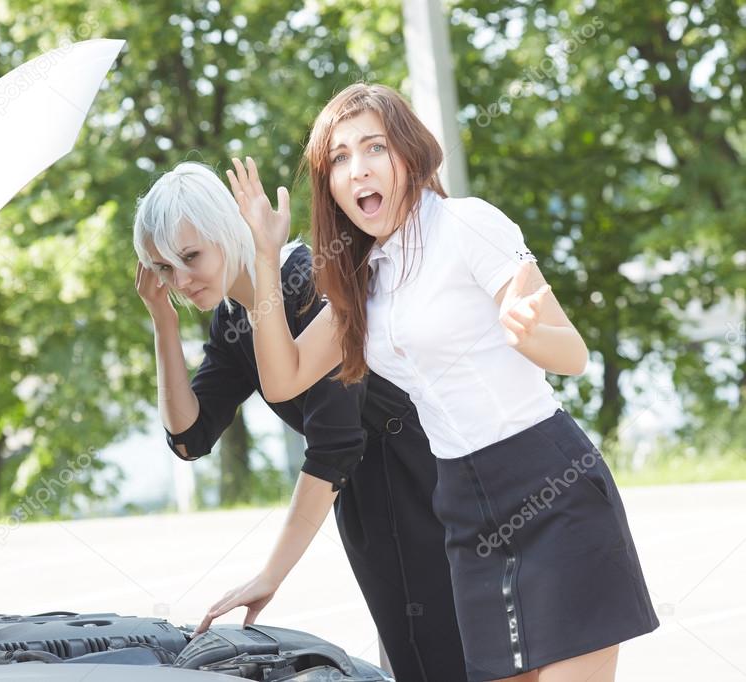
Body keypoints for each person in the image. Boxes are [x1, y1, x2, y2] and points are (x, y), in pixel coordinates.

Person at [225, 83, 659, 682]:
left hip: (550, 486)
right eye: (340, 159)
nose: (358, 170)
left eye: (374, 147)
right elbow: (283, 377)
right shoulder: (362, 278)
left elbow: (573, 354)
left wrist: (526, 333)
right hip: (463, 509)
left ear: (409, 152)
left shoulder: (469, 225)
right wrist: (266, 260)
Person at [133, 161, 468, 681]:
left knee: (450, 660)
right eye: (162, 269)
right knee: (416, 662)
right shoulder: (232, 319)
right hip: (368, 505)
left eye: (189, 257)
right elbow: (188, 438)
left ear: (227, 229)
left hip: (426, 484)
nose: (178, 280)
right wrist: (163, 325)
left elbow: (334, 444)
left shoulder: (307, 280)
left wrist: (271, 574)